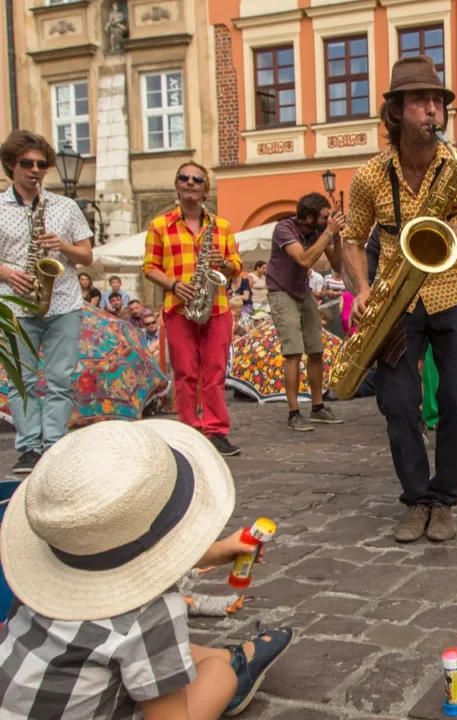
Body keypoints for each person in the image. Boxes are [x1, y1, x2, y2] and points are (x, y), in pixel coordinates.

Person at [0, 420, 294, 719]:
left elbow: (120, 556)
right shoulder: (153, 612)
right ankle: (232, 667)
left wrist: (215, 552)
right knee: (219, 675)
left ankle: (228, 657)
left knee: (148, 647)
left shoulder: (40, 582)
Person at [341, 56, 457, 544]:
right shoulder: (371, 176)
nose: (433, 110)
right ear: (396, 111)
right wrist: (362, 289)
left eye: (438, 101)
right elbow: (353, 239)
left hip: (453, 291)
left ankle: (445, 499)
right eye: (420, 101)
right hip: (396, 299)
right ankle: (416, 499)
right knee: (397, 402)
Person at [0, 130, 94, 474]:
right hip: (15, 305)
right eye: (28, 164)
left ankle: (53, 445)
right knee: (20, 381)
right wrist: (8, 274)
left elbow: (87, 256)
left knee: (60, 379)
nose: (36, 170)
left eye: (42, 165)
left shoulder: (64, 207)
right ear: (12, 164)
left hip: (63, 303)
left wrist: (63, 247)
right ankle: (28, 447)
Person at [143, 161, 244, 458]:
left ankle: (215, 431)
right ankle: (189, 432)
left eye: (197, 179)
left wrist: (224, 263)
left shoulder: (221, 226)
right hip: (179, 307)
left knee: (215, 373)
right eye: (184, 178)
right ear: (176, 185)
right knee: (185, 373)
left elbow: (236, 266)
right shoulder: (159, 225)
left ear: (205, 190)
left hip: (217, 307)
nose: (190, 182)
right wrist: (174, 285)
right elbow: (150, 267)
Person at [266, 192, 345, 432]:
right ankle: (294, 413)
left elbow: (337, 265)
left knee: (316, 349)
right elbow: (304, 260)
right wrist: (329, 232)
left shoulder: (320, 231)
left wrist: (336, 237)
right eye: (324, 217)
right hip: (281, 292)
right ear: (310, 218)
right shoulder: (284, 228)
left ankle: (318, 407)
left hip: (303, 291)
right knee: (293, 352)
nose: (328, 219)